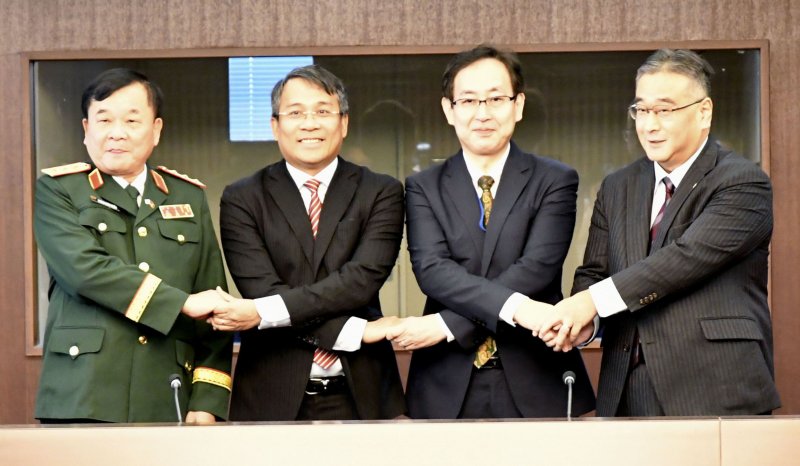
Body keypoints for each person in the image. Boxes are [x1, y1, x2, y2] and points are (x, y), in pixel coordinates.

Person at [540, 49, 781, 416]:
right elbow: (594, 272)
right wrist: (584, 323)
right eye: (641, 110)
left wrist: (591, 302)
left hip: (716, 385)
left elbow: (685, 258)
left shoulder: (742, 182)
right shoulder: (617, 186)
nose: (649, 125)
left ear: (704, 112)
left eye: (664, 110)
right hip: (627, 386)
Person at [389, 45, 595, 419]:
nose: (482, 113)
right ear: (449, 110)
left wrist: (447, 325)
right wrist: (521, 309)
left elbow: (537, 268)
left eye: (496, 99)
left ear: (518, 105)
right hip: (445, 382)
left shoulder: (554, 179)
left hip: (538, 376)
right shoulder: (423, 186)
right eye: (468, 100)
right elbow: (433, 271)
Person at [34, 68, 233, 423]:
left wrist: (207, 399)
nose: (117, 133)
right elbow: (85, 271)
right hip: (84, 394)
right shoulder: (59, 190)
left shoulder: (187, 197)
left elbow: (212, 300)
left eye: (131, 120)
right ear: (86, 129)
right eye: (104, 120)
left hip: (168, 393)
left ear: (156, 130)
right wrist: (181, 303)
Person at [211, 64, 406, 421]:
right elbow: (261, 290)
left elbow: (360, 281)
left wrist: (263, 313)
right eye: (296, 113)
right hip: (270, 392)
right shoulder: (242, 198)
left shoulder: (381, 192)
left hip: (363, 392)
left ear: (343, 123)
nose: (310, 123)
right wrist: (356, 331)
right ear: (275, 126)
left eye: (323, 111)